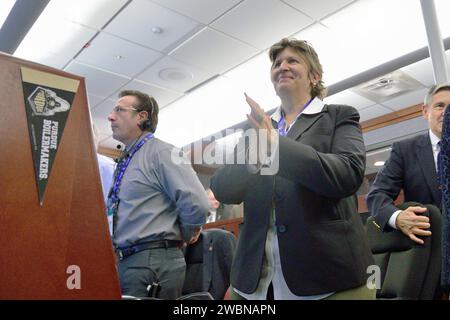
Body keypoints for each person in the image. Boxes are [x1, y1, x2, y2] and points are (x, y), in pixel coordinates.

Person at [211, 38, 374, 300]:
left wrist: (276, 144)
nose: (282, 66)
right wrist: (250, 162)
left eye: (293, 60)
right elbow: (222, 189)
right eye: (277, 63)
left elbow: (347, 174)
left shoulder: (339, 116)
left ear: (314, 76)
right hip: (256, 279)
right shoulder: (255, 128)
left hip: (329, 275)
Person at [107, 90, 209, 299]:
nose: (110, 116)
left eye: (119, 110)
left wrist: (186, 234)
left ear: (141, 117)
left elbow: (197, 204)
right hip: (129, 261)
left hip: (152, 261)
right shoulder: (127, 158)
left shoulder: (162, 153)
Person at [366, 83, 450, 244]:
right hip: (430, 251)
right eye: (440, 106)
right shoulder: (405, 150)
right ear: (425, 111)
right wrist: (397, 218)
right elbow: (377, 195)